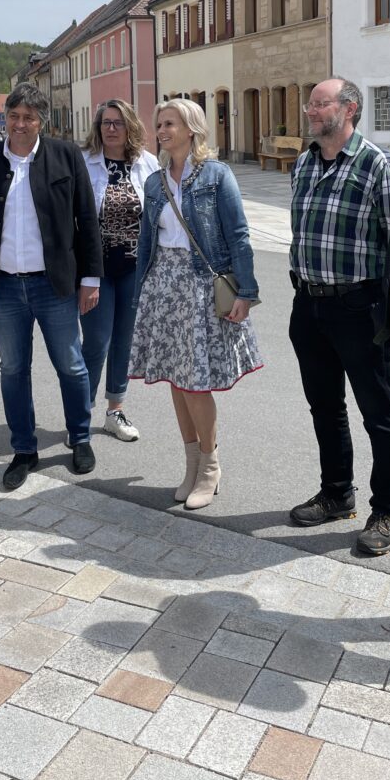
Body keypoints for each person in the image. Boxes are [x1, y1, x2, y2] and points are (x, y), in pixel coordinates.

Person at [0, 83, 103, 490]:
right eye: (14, 116)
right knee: (13, 369)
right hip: (3, 287)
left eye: (28, 118)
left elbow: (87, 221)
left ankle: (80, 436)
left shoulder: (65, 156)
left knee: (71, 366)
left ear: (42, 121)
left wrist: (90, 278)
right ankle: (24, 448)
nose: (20, 124)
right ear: (5, 118)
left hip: (54, 285)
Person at [287, 78, 390, 555]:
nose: (311, 111)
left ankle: (387, 510)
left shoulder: (379, 166)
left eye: (321, 104)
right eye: (310, 104)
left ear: (349, 108)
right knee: (325, 407)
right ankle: (337, 493)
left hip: (361, 308)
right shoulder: (302, 164)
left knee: (378, 412)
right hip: (309, 305)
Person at [129, 99, 262, 510]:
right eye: (159, 124)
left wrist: (246, 292)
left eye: (169, 123)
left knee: (196, 382)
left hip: (201, 286)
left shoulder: (216, 176)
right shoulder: (154, 182)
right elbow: (146, 244)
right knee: (175, 377)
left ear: (192, 129)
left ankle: (210, 466)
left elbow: (238, 235)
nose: (161, 130)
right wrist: (140, 295)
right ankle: (191, 463)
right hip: (163, 286)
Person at [81, 99, 158, 442]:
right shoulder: (83, 162)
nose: (111, 128)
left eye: (118, 123)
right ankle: (80, 413)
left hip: (134, 268)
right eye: (105, 123)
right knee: (96, 341)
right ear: (98, 128)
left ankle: (115, 410)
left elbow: (159, 213)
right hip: (96, 269)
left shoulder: (147, 163)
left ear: (130, 127)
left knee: (124, 342)